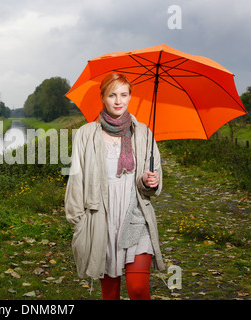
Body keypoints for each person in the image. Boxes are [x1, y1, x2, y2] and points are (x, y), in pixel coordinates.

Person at [65, 73, 165, 300]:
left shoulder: (144, 133)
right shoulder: (86, 134)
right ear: (103, 97)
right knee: (110, 294)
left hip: (136, 216)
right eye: (112, 95)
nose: (118, 101)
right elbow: (76, 178)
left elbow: (152, 180)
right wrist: (79, 221)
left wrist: (150, 181)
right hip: (103, 219)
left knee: (138, 289)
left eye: (124, 94)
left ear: (130, 97)